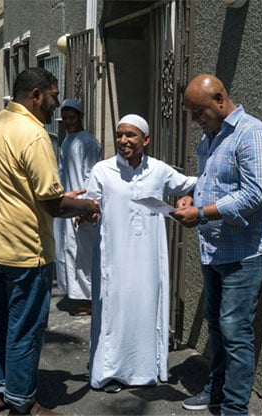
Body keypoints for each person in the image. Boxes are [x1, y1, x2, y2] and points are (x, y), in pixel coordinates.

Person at [0, 67, 100, 416]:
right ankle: (22, 400)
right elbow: (53, 203)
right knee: (25, 326)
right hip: (24, 250)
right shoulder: (34, 135)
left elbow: (22, 187)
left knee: (2, 319)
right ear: (35, 95)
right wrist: (87, 205)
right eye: (54, 95)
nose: (57, 104)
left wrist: (66, 196)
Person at [171, 74, 262, 415]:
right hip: (215, 249)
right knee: (216, 324)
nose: (194, 119)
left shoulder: (253, 134)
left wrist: (201, 213)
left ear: (220, 99)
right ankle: (216, 390)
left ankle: (235, 408)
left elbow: (252, 196)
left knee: (234, 330)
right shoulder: (210, 138)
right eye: (190, 112)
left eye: (198, 111)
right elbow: (209, 181)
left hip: (246, 253)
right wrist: (191, 197)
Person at [86, 114, 197, 393]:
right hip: (114, 256)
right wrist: (85, 213)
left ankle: (143, 370)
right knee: (114, 310)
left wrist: (190, 198)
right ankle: (109, 372)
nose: (123, 140)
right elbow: (90, 203)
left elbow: (191, 184)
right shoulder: (102, 170)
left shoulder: (159, 170)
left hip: (148, 258)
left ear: (145, 140)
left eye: (131, 135)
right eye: (120, 134)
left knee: (146, 306)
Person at [53, 98, 101, 316]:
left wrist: (87, 207)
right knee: (70, 250)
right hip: (68, 204)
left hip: (80, 205)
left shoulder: (87, 142)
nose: (69, 122)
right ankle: (81, 295)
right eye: (66, 118)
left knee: (84, 253)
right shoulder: (68, 140)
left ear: (81, 117)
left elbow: (90, 176)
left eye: (73, 118)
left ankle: (93, 299)